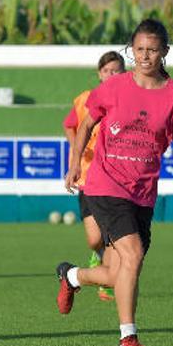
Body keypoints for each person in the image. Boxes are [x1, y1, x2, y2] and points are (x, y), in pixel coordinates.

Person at [59, 18, 173, 346]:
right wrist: (75, 164)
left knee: (119, 271)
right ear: (131, 51)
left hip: (143, 191)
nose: (145, 56)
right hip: (105, 184)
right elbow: (86, 123)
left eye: (152, 50)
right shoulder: (114, 86)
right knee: (132, 254)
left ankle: (72, 276)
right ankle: (128, 336)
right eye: (139, 50)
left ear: (164, 51)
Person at [62, 51, 126, 302]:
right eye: (107, 70)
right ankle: (98, 259)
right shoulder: (84, 100)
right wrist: (76, 150)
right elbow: (70, 125)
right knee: (94, 239)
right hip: (88, 177)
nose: (112, 74)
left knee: (112, 235)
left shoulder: (126, 99)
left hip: (114, 178)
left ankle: (106, 282)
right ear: (100, 74)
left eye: (117, 69)